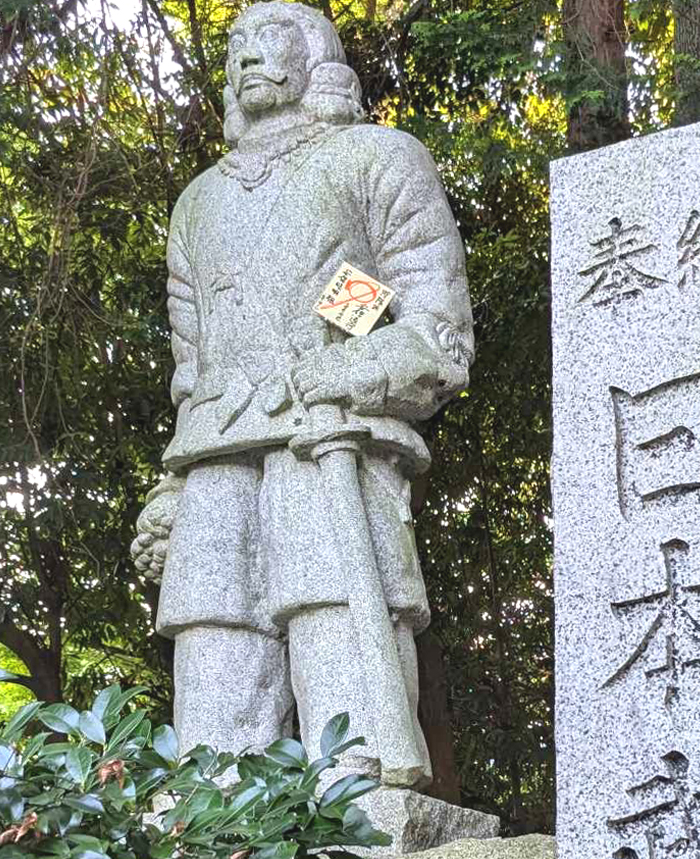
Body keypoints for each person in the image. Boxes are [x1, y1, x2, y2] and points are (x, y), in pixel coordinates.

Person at [132, 1, 473, 787]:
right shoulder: (196, 203)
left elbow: (439, 330)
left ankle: (359, 805)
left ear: (314, 53)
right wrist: (172, 488)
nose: (250, 55)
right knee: (212, 637)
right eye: (237, 43)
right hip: (215, 451)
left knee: (336, 620)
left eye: (271, 37)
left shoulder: (376, 158)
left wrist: (348, 369)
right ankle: (215, 833)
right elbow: (192, 370)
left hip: (329, 439)